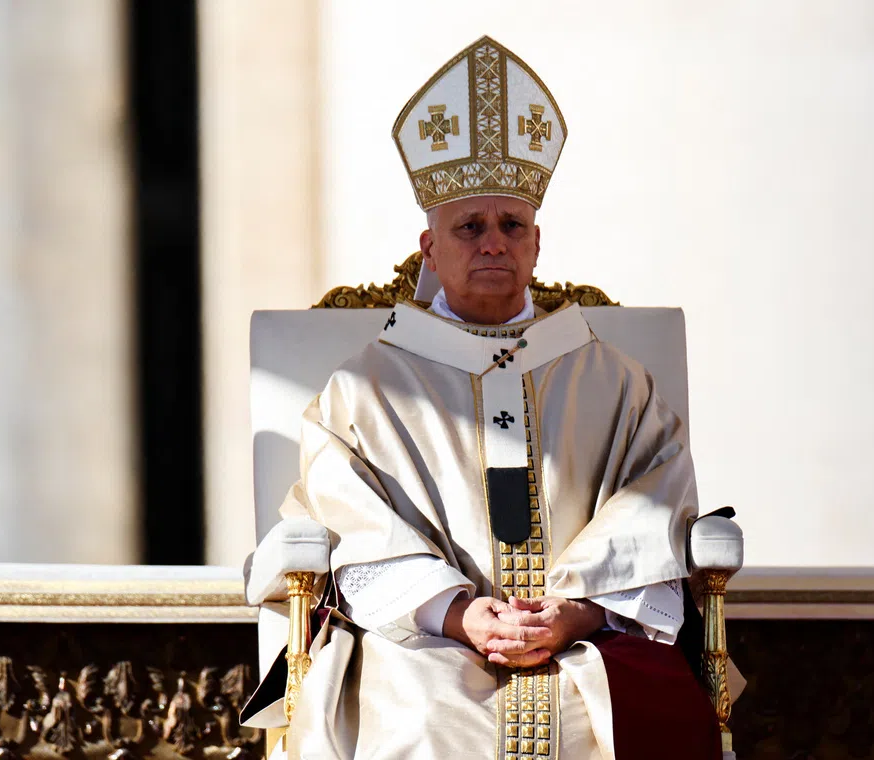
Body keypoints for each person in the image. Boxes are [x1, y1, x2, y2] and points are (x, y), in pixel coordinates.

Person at [251, 35, 722, 759]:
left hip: (582, 643)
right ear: (428, 248)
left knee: (597, 730)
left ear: (537, 245)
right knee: (422, 725)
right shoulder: (364, 390)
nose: (493, 244)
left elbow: (659, 498)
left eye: (512, 226)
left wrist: (573, 611)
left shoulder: (615, 381)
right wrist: (460, 612)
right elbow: (346, 517)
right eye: (469, 227)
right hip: (421, 642)